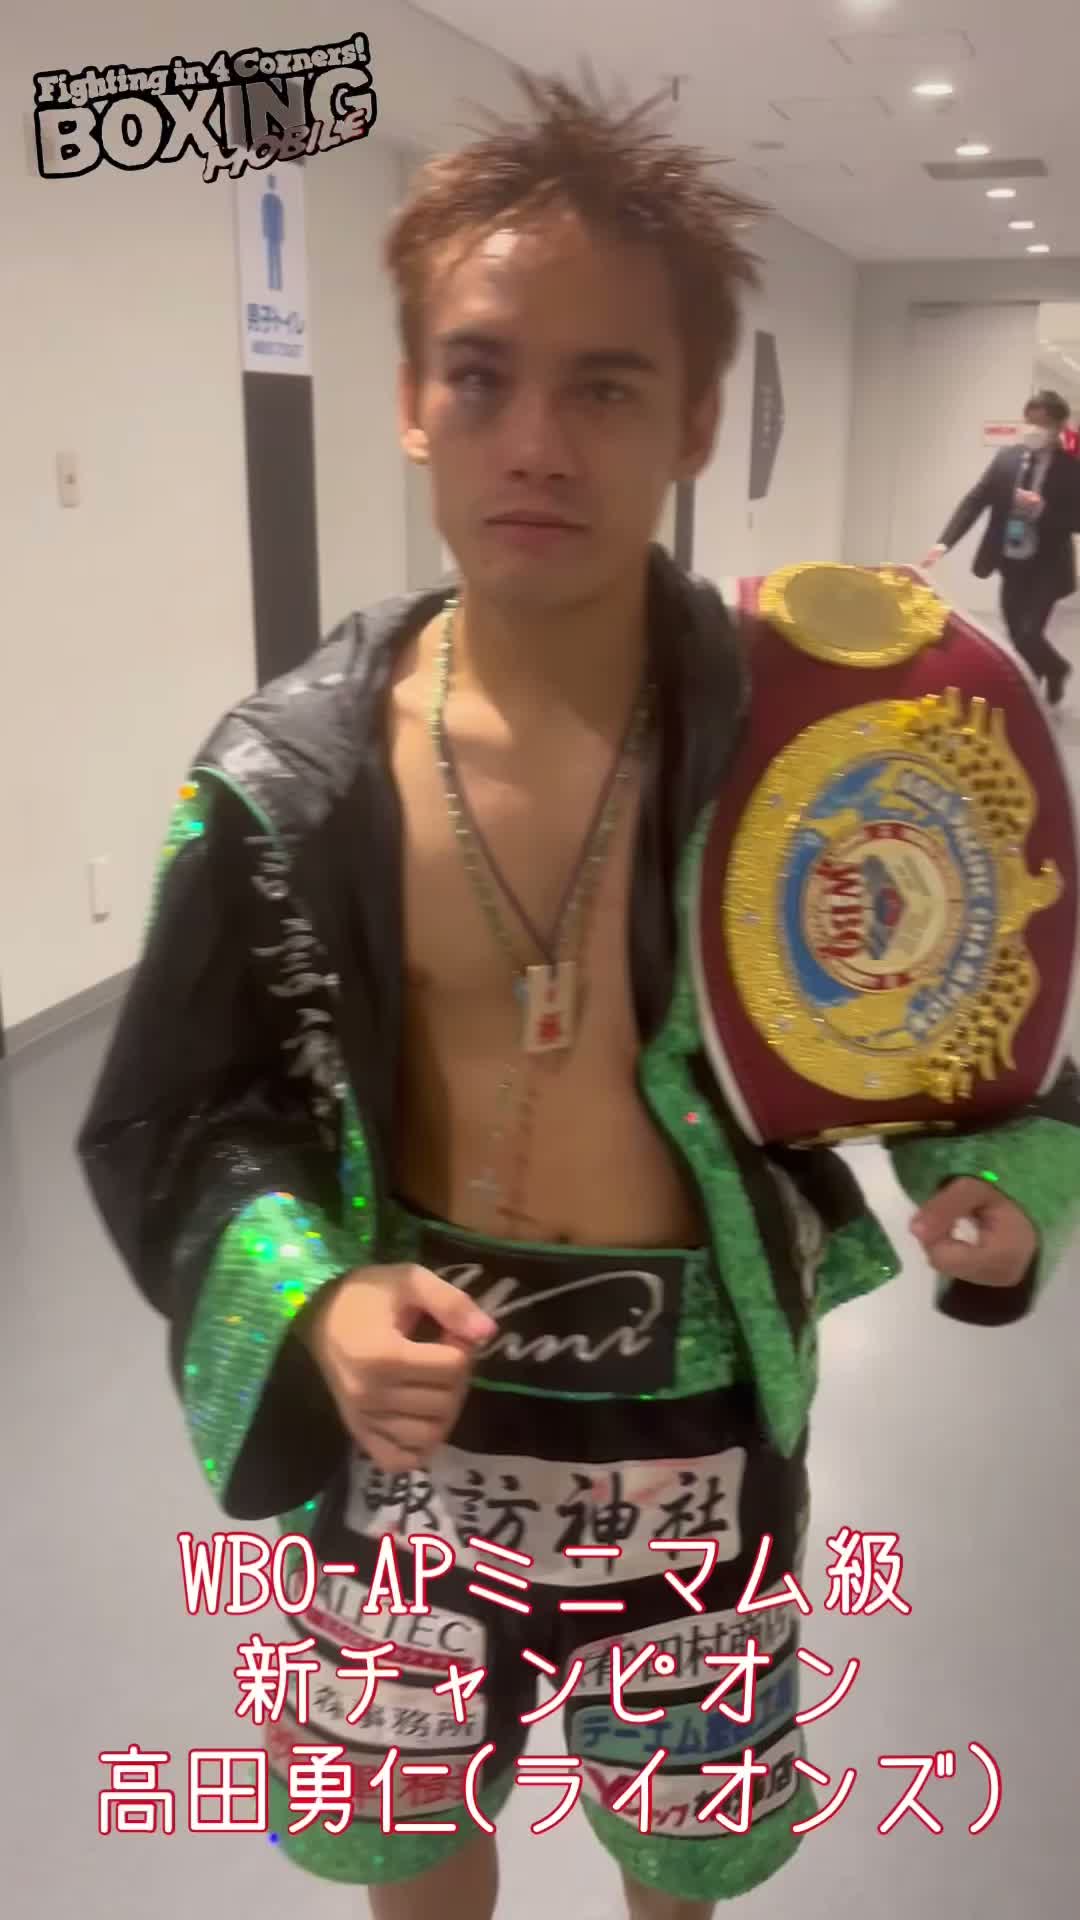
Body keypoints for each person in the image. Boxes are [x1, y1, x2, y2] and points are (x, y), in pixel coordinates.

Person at [78, 74, 1080, 1920]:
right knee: (414, 1851)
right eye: (481, 376)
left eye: (605, 387)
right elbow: (177, 1110)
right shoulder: (289, 774)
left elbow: (980, 1024)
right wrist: (309, 1296)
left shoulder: (838, 730)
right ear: (412, 399)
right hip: (409, 1428)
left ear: (693, 416)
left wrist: (998, 1188)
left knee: (676, 1863)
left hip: (695, 1423)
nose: (535, 442)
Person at [923, 389, 1080, 706]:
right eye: (1029, 421)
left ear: (1059, 426)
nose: (1033, 429)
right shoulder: (1006, 459)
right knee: (1015, 631)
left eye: (1042, 423)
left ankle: (1045, 680)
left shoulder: (1071, 468)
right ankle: (1048, 672)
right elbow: (974, 501)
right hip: (1011, 560)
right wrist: (943, 543)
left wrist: (1042, 509)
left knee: (1028, 633)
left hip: (1048, 565)